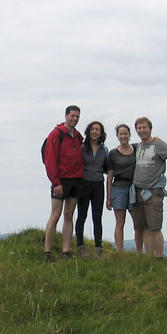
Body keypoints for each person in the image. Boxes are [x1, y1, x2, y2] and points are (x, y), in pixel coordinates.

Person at [129, 116, 167, 258]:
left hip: (153, 191)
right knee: (142, 227)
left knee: (155, 227)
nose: (142, 130)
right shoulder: (137, 146)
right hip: (138, 191)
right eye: (139, 128)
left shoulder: (159, 145)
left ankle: (159, 257)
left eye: (144, 127)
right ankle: (149, 257)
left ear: (150, 128)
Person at [43, 105, 85, 259]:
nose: (75, 119)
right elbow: (50, 160)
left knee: (69, 214)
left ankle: (65, 250)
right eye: (72, 116)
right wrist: (56, 182)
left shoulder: (78, 136)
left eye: (77, 116)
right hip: (61, 180)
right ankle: (47, 251)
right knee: (56, 214)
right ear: (66, 116)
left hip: (76, 179)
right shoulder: (56, 134)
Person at [75, 121, 109, 256]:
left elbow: (107, 167)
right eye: (93, 129)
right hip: (84, 184)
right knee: (82, 215)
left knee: (97, 216)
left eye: (98, 130)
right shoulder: (82, 148)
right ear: (88, 131)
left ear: (101, 133)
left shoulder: (104, 149)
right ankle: (80, 245)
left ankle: (98, 247)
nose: (95, 132)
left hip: (98, 184)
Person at [105, 124, 136, 253]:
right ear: (117, 136)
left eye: (125, 133)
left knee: (138, 223)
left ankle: (139, 252)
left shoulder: (136, 148)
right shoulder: (113, 153)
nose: (123, 136)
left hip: (134, 188)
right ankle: (120, 252)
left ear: (129, 135)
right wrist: (108, 197)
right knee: (120, 223)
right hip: (118, 188)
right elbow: (109, 176)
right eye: (120, 134)